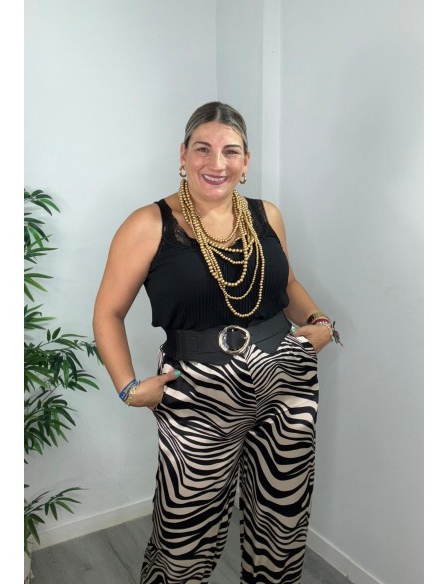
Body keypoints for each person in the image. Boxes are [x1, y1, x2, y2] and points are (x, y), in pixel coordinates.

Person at [93, 101, 340, 584]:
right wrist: (128, 387)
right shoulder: (149, 224)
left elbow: (287, 284)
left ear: (246, 161)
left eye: (230, 151)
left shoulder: (266, 215)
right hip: (198, 387)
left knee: (282, 521)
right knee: (184, 531)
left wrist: (319, 321)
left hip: (285, 375)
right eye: (203, 149)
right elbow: (107, 313)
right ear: (183, 155)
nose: (217, 163)